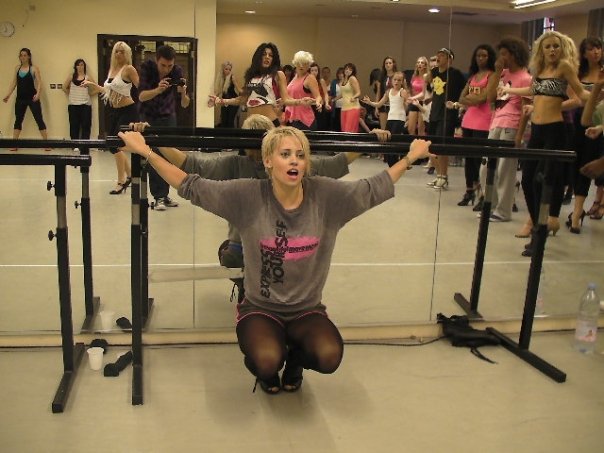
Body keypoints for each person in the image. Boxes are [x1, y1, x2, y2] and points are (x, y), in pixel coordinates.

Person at [117, 125, 431, 395]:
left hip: (307, 309)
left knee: (329, 356)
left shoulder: (327, 197)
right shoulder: (247, 196)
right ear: (268, 161)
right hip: (261, 309)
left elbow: (373, 188)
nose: (294, 160)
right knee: (267, 360)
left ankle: (295, 361)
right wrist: (146, 152)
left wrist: (410, 158)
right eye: (285, 154)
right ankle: (269, 368)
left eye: (300, 155)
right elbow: (190, 185)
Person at [502, 31, 589, 253]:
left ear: (562, 49)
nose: (552, 50)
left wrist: (597, 94)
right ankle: (537, 223)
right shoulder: (539, 70)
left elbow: (580, 95)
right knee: (528, 180)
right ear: (541, 49)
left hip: (555, 130)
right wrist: (508, 89)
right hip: (537, 131)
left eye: (556, 46)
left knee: (544, 181)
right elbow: (532, 90)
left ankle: (541, 231)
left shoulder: (564, 68)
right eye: (548, 46)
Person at [480, 37, 531, 227]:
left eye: (504, 54)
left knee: (505, 170)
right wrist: (497, 72)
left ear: (514, 54)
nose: (501, 57)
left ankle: (503, 210)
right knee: (486, 167)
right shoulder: (502, 74)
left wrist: (520, 134)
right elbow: (491, 97)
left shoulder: (525, 78)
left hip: (512, 125)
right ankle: (490, 204)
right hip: (496, 122)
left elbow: (526, 108)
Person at [138, 45, 190, 211]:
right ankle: (158, 196)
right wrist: (158, 90)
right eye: (163, 65)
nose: (167, 69)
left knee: (169, 156)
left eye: (170, 65)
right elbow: (141, 96)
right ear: (156, 60)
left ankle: (165, 195)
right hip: (149, 117)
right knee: (153, 155)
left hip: (168, 117)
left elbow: (185, 104)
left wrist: (183, 92)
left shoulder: (177, 71)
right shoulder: (146, 68)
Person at [83, 41, 139, 194]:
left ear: (127, 54)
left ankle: (121, 181)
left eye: (122, 51)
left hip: (128, 111)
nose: (118, 54)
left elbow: (141, 87)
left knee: (115, 145)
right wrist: (93, 85)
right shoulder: (112, 69)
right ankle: (130, 176)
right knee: (112, 145)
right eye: (116, 51)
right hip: (114, 111)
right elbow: (108, 90)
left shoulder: (129, 69)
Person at [447, 44, 495, 207]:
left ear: (490, 57)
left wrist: (471, 99)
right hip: (468, 120)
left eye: (484, 56)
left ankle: (482, 193)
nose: (481, 58)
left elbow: (484, 98)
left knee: (479, 160)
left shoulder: (492, 75)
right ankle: (469, 191)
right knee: (468, 159)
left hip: (484, 122)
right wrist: (472, 100)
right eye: (478, 56)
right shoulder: (473, 76)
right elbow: (461, 98)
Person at [209, 43, 294, 127]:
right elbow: (242, 99)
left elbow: (286, 99)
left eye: (270, 55)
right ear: (258, 57)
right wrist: (220, 101)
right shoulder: (251, 76)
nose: (267, 57)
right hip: (250, 124)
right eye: (264, 54)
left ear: (273, 59)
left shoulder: (277, 75)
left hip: (270, 123)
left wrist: (300, 102)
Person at [569, 38, 604, 225]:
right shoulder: (579, 73)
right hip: (580, 120)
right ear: (584, 53)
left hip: (599, 121)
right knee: (577, 164)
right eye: (591, 49)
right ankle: (578, 209)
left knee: (590, 163)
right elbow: (575, 98)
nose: (596, 52)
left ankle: (579, 212)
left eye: (598, 48)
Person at [425, 47, 466, 190]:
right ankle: (439, 175)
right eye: (438, 55)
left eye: (442, 55)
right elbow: (429, 83)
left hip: (447, 115)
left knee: (443, 147)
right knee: (432, 147)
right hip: (434, 113)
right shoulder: (434, 72)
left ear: (449, 59)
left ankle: (444, 176)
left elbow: (465, 90)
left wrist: (459, 104)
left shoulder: (455, 74)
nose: (438, 57)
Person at [3, 48, 49, 151]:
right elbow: (14, 83)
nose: (23, 57)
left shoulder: (33, 69)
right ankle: (14, 144)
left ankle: (46, 144)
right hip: (20, 99)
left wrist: (38, 94)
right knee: (18, 120)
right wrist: (8, 95)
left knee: (39, 119)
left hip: (32, 98)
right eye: (21, 55)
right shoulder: (17, 68)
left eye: (24, 55)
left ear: (28, 56)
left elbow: (39, 83)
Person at [363, 71, 409, 167]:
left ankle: (397, 163)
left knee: (394, 141)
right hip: (391, 118)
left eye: (399, 80)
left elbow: (408, 102)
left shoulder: (403, 91)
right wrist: (369, 102)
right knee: (387, 140)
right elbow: (379, 104)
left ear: (402, 82)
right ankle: (392, 164)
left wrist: (407, 104)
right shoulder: (388, 92)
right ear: (392, 81)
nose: (396, 82)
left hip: (399, 119)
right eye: (395, 80)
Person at [62, 58, 94, 154]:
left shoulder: (88, 77)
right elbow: (64, 87)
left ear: (84, 66)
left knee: (86, 126)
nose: (80, 67)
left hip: (85, 105)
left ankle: (85, 146)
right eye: (78, 65)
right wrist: (71, 94)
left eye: (82, 65)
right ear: (75, 67)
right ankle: (75, 145)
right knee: (74, 126)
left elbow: (96, 87)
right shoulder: (71, 76)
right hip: (73, 105)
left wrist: (89, 94)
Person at [284, 51, 321, 130]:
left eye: (304, 63)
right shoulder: (295, 77)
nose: (301, 66)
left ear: (308, 65)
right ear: (295, 63)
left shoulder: (310, 78)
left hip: (304, 120)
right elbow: (290, 95)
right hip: (291, 118)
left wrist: (318, 103)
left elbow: (318, 96)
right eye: (299, 63)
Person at [211, 61, 241, 128]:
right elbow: (219, 91)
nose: (228, 71)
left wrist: (242, 96)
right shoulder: (220, 78)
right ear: (222, 69)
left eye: (230, 69)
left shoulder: (232, 77)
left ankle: (231, 135)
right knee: (223, 121)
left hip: (233, 102)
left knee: (230, 121)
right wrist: (213, 98)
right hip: (224, 101)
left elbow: (239, 89)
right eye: (226, 69)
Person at [407, 56, 429, 136]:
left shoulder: (426, 76)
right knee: (410, 129)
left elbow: (423, 94)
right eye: (418, 62)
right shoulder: (414, 76)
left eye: (422, 63)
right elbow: (411, 90)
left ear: (425, 66)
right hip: (413, 102)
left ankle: (421, 144)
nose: (419, 64)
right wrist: (409, 96)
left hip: (422, 103)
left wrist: (412, 98)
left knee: (420, 130)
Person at [338, 63, 361, 133]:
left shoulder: (352, 78)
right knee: (344, 130)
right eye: (346, 69)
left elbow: (358, 92)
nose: (348, 70)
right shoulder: (343, 80)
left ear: (353, 71)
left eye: (350, 70)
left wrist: (354, 97)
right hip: (344, 108)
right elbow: (342, 94)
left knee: (349, 131)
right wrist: (333, 99)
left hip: (353, 107)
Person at [310, 62, 331, 130]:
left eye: (316, 70)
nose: (314, 72)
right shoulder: (307, 81)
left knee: (320, 125)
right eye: (312, 70)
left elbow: (326, 94)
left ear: (318, 71)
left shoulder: (321, 81)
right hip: (309, 106)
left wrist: (327, 103)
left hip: (320, 105)